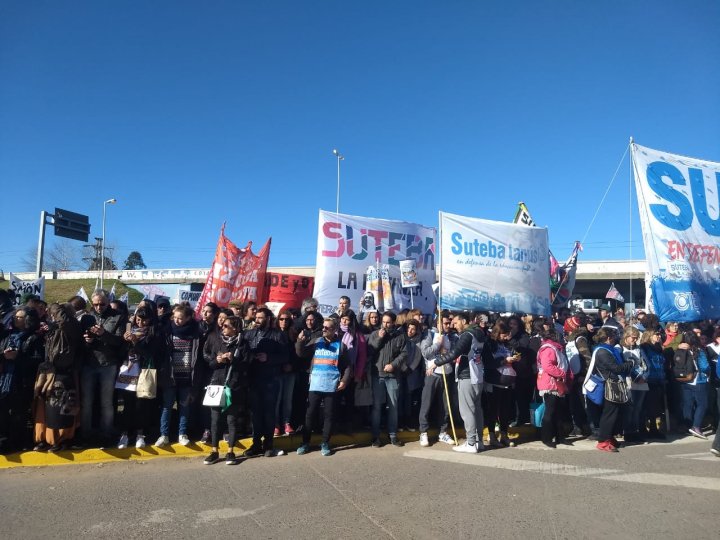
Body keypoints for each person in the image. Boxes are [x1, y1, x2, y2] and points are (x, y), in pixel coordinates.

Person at [430, 311, 486, 453]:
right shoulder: (480, 332)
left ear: (463, 321)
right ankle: (478, 441)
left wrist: (436, 362)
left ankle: (471, 443)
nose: (454, 326)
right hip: (478, 375)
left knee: (467, 411)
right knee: (477, 409)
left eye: (455, 322)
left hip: (467, 375)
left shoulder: (467, 335)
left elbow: (455, 352)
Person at [296, 317, 352, 456]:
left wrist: (344, 380)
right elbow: (301, 353)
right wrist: (300, 341)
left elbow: (348, 366)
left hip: (331, 386)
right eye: (323, 327)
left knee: (329, 415)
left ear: (334, 330)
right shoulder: (316, 341)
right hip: (315, 384)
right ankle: (305, 443)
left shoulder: (341, 345)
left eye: (327, 327)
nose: (324, 329)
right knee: (310, 414)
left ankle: (325, 443)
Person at [32, 303, 83, 452]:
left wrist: (55, 306)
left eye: (56, 314)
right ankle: (44, 439)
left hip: (63, 374)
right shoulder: (52, 329)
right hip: (47, 373)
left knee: (61, 410)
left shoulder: (72, 327)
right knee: (43, 410)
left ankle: (61, 440)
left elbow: (66, 322)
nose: (52, 316)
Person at [81, 289, 126, 447]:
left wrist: (103, 334)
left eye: (102, 304)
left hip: (108, 363)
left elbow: (120, 341)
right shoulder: (86, 317)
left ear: (108, 302)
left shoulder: (118, 316)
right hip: (89, 362)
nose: (99, 307)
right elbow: (79, 342)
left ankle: (106, 433)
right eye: (95, 304)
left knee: (106, 402)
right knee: (86, 401)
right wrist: (86, 340)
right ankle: (85, 434)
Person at [202, 316, 249, 465]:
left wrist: (233, 359)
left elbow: (247, 365)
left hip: (234, 386)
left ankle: (230, 452)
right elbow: (210, 364)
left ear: (235, 328)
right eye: (223, 326)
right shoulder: (218, 341)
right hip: (217, 384)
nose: (223, 328)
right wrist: (218, 360)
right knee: (215, 420)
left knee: (231, 420)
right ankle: (214, 451)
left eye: (227, 326)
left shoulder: (243, 344)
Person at [243, 307, 288, 457]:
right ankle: (256, 443)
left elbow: (285, 357)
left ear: (268, 319)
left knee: (269, 413)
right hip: (254, 379)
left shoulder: (278, 335)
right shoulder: (249, 334)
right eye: (256, 317)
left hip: (271, 380)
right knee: (255, 414)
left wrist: (268, 358)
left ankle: (268, 444)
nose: (257, 320)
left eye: (261, 318)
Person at [157, 304, 201, 447]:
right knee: (167, 406)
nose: (177, 321)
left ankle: (182, 433)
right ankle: (164, 435)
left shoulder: (195, 332)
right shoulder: (167, 331)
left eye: (180, 318)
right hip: (171, 375)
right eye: (174, 317)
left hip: (187, 376)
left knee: (184, 406)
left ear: (188, 318)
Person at [367, 312, 408, 447]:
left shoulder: (400, 336)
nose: (385, 325)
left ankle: (393, 435)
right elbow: (370, 351)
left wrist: (394, 365)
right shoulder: (375, 334)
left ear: (393, 323)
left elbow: (404, 354)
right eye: (383, 322)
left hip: (393, 376)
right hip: (377, 375)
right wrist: (379, 338)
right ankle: (375, 436)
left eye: (388, 322)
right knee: (377, 407)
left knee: (393, 407)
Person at [592, 327, 634, 452]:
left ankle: (609, 437)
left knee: (616, 413)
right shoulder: (602, 351)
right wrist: (630, 363)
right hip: (609, 385)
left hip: (615, 384)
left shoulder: (609, 350)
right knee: (609, 414)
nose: (616, 338)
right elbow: (616, 368)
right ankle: (603, 441)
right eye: (614, 336)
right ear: (609, 338)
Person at [418, 311, 456, 446]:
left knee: (445, 406)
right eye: (445, 323)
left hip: (447, 373)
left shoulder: (451, 336)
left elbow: (455, 352)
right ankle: (423, 432)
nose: (448, 325)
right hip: (432, 374)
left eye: (449, 323)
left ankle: (443, 432)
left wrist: (448, 353)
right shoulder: (430, 333)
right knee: (426, 404)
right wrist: (437, 345)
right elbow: (425, 352)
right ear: (438, 323)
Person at [483, 320, 518, 447]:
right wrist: (504, 360)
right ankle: (491, 435)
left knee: (505, 410)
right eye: (504, 334)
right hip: (494, 381)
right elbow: (489, 363)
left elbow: (510, 355)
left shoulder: (507, 345)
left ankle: (504, 435)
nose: (506, 337)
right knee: (492, 410)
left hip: (507, 382)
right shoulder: (489, 345)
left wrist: (514, 358)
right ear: (498, 333)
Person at [536, 325, 572, 448]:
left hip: (557, 383)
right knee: (550, 411)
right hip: (550, 383)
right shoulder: (549, 349)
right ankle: (546, 437)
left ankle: (560, 437)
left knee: (558, 411)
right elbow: (547, 366)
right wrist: (562, 373)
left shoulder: (555, 349)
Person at [674, 331, 710, 439]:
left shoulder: (680, 350)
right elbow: (704, 366)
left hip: (685, 380)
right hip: (698, 380)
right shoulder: (698, 351)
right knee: (702, 404)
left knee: (687, 404)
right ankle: (696, 427)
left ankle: (686, 425)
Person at [621, 326, 648, 444]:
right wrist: (635, 377)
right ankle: (627, 432)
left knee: (638, 408)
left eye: (636, 338)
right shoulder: (620, 348)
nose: (635, 340)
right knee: (629, 408)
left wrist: (645, 376)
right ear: (626, 337)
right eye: (633, 338)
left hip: (642, 381)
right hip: (629, 381)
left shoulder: (639, 349)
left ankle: (635, 431)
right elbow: (623, 365)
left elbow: (647, 364)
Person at [638, 328, 667, 439]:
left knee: (655, 407)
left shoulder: (658, 348)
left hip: (659, 380)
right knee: (646, 406)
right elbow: (645, 363)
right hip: (648, 379)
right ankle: (642, 428)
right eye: (656, 334)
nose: (659, 336)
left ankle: (654, 429)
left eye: (659, 334)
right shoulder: (645, 347)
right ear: (649, 335)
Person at [274, 309, 298, 436]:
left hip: (290, 371)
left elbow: (297, 354)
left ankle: (286, 423)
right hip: (276, 371)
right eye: (281, 319)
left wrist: (291, 366)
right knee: (276, 399)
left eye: (286, 319)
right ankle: (276, 424)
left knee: (287, 399)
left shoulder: (293, 335)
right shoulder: (273, 334)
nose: (284, 322)